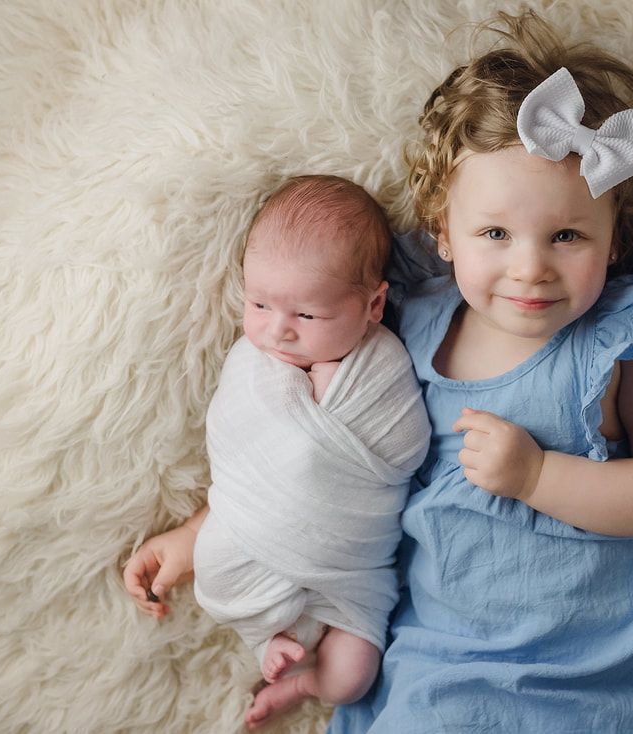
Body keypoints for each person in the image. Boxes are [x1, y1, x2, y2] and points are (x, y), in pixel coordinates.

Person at [325, 11, 633, 733]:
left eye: (567, 236)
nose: (529, 265)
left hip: (607, 672)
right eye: (495, 234)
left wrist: (537, 477)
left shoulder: (628, 334)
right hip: (451, 665)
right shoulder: (406, 326)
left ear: (614, 241)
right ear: (442, 230)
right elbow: (327, 452)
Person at [123, 175, 431, 729]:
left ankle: (305, 680)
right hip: (259, 545)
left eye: (307, 316)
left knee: (354, 675)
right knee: (217, 567)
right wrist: (187, 537)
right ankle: (268, 639)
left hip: (350, 570)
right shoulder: (250, 369)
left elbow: (405, 446)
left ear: (374, 304)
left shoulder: (381, 366)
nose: (278, 332)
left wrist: (328, 403)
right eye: (260, 304)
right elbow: (242, 477)